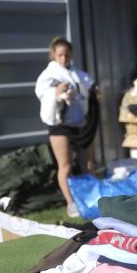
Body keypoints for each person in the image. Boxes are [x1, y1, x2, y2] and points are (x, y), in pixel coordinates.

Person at [35, 36, 95, 217]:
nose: (63, 58)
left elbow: (89, 85)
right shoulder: (49, 75)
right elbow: (41, 93)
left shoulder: (78, 74)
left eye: (67, 55)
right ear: (53, 55)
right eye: (60, 55)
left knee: (88, 164)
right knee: (65, 166)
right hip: (60, 126)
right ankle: (71, 203)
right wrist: (56, 93)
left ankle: (91, 197)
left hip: (80, 124)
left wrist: (94, 91)